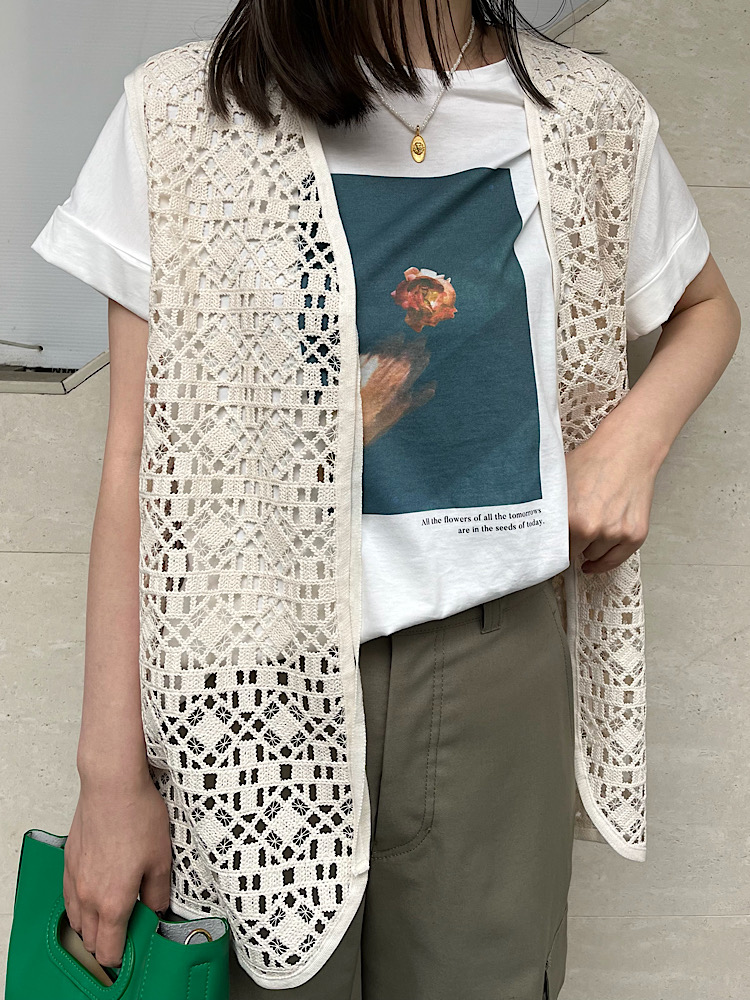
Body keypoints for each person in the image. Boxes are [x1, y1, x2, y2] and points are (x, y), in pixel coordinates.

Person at [30, 1, 740, 998]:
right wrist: (109, 779)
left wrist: (633, 442)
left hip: (493, 674)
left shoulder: (586, 115)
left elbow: (708, 310)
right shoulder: (183, 113)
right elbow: (138, 463)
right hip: (245, 687)